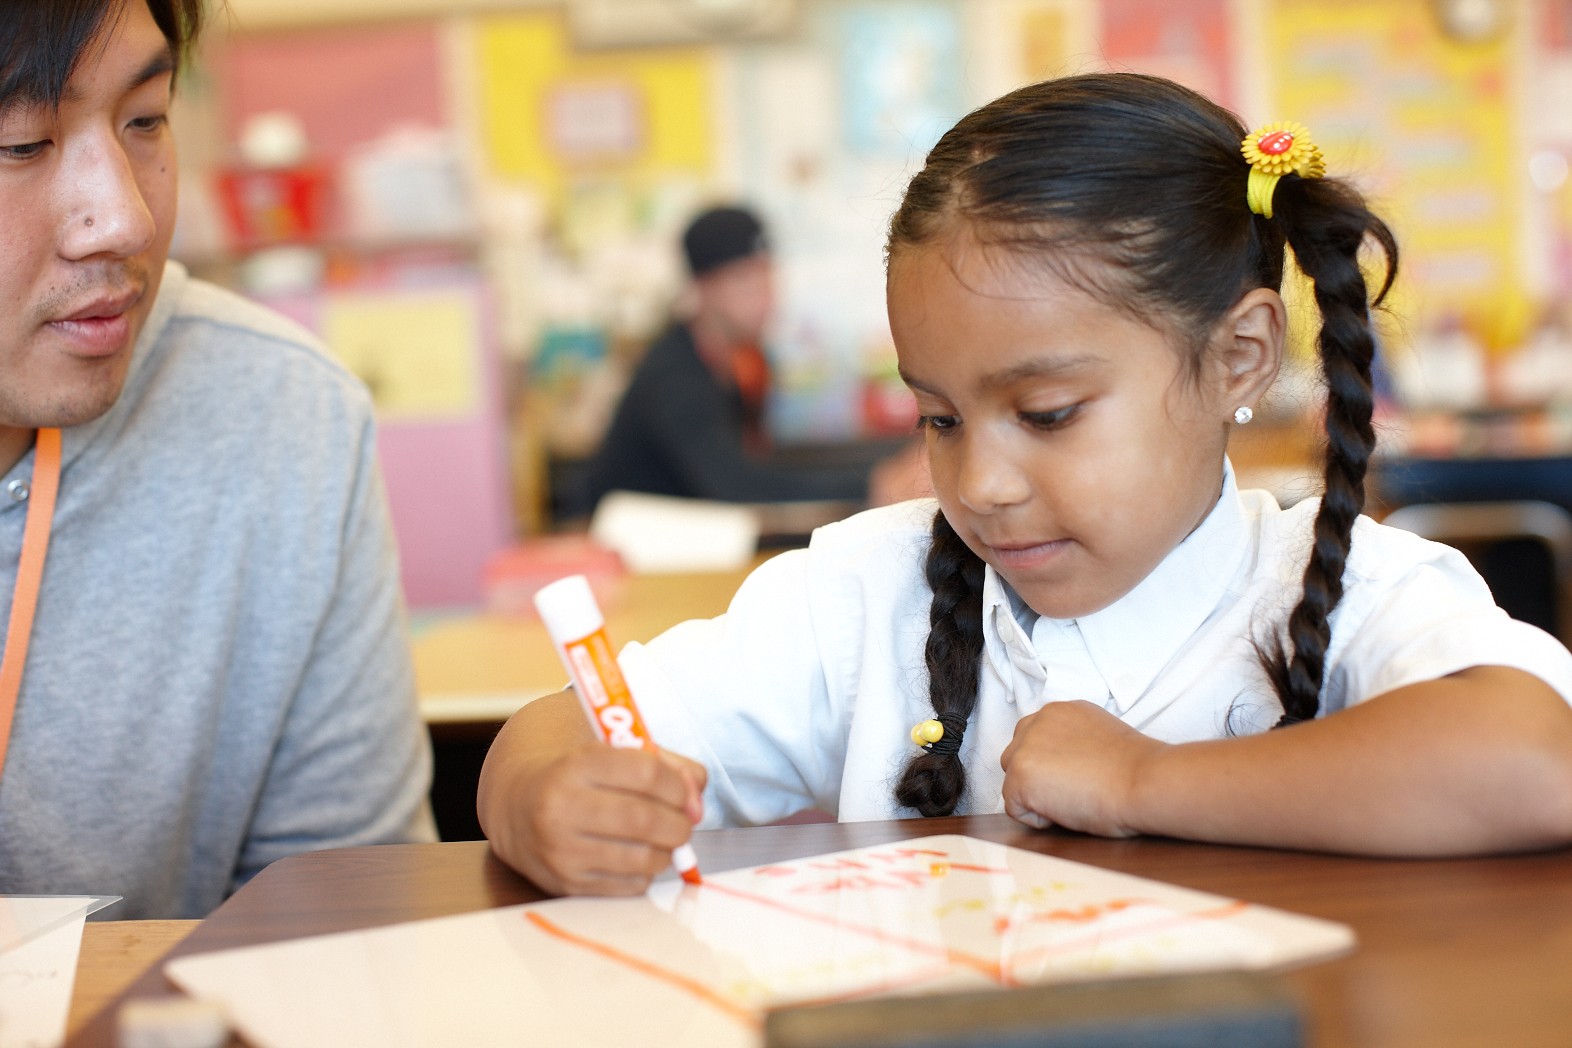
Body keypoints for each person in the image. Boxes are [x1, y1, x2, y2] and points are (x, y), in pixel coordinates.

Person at [477, 73, 1572, 897]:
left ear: (1239, 356)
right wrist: (540, 803)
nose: (982, 483)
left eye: (1047, 414)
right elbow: (552, 733)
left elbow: (1537, 763)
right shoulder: (869, 593)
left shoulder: (1348, 590)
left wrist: (1139, 781)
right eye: (939, 418)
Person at [0, 0, 436, 919]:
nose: (122, 218)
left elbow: (345, 931)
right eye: (22, 143)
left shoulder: (283, 421)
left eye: (146, 119)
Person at [568, 204, 924, 517]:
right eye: (742, 279)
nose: (765, 296)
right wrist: (872, 483)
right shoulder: (674, 378)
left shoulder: (741, 362)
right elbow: (737, 487)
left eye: (766, 273)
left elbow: (758, 464)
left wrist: (883, 466)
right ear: (699, 289)